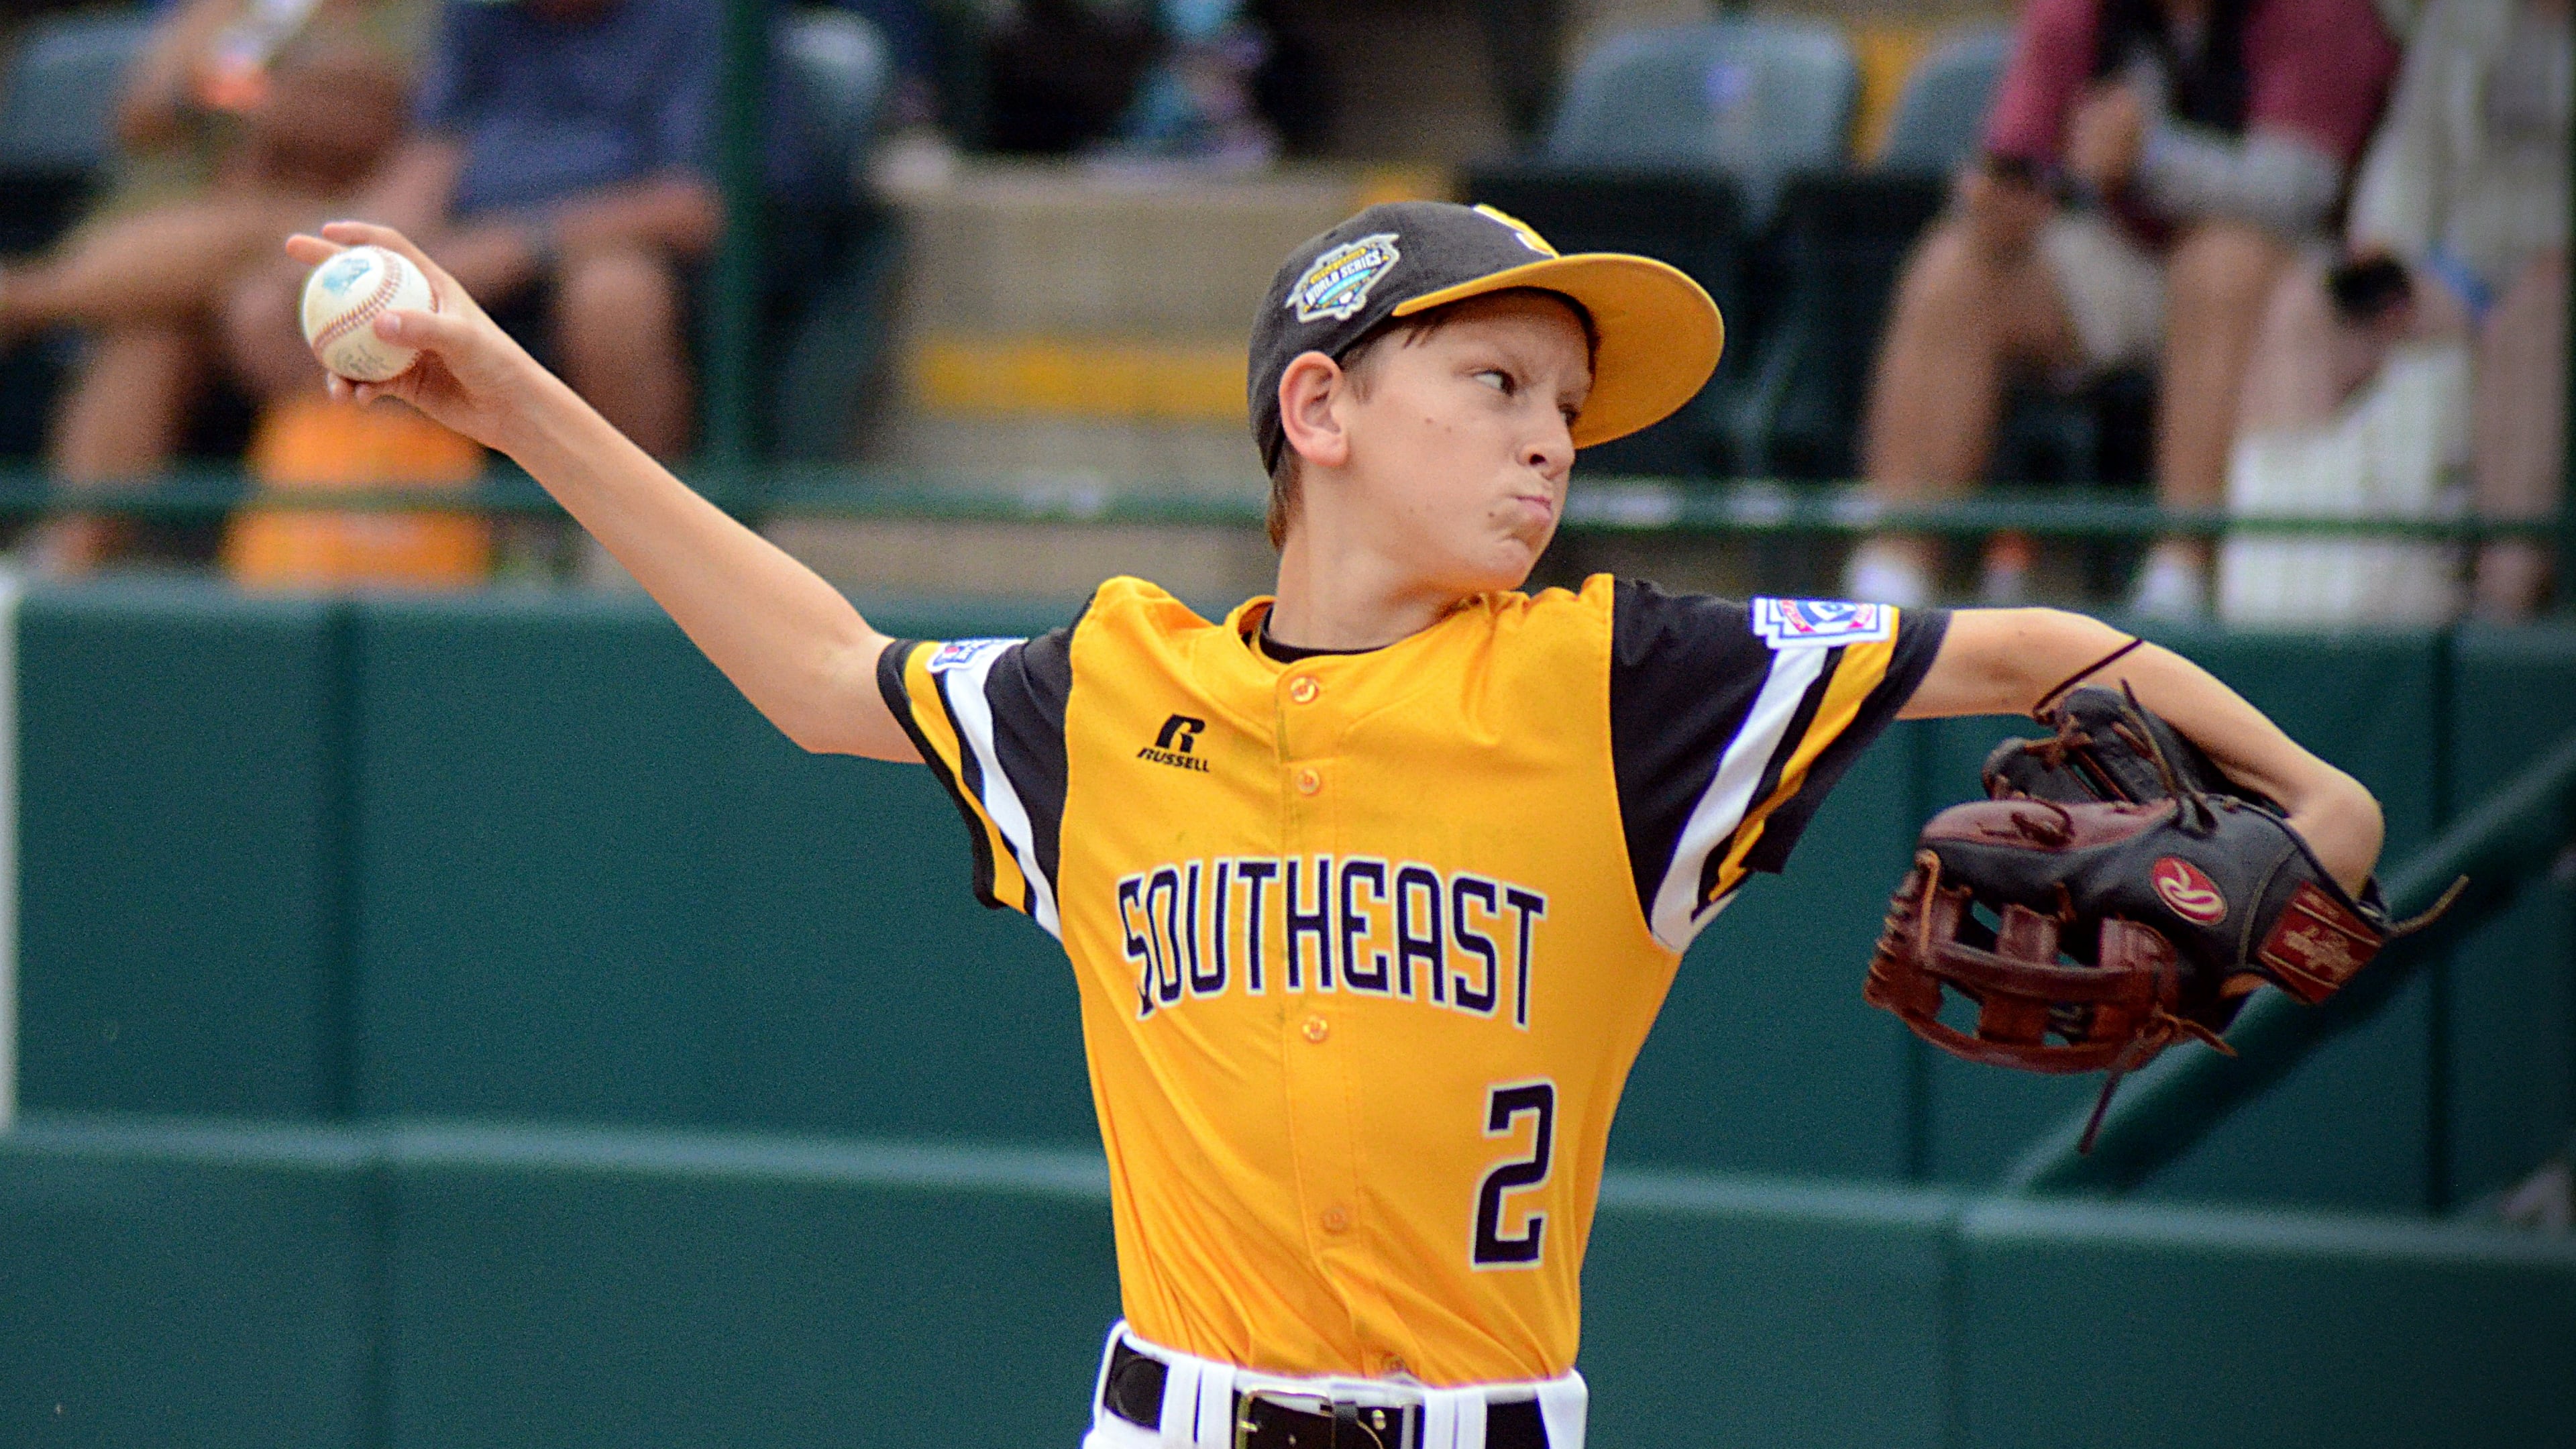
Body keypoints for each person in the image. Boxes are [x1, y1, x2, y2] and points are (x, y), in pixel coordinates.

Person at [280, 200, 2384, 1442]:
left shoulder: (1622, 681)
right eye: (1494, 387)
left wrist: (2315, 793)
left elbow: (2022, 654)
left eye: (1567, 412)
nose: (1548, 444)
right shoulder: (1110, 693)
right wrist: (506, 393)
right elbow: (830, 678)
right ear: (1320, 408)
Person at [1846, 0, 2399, 615]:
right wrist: (2001, 201)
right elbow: (2019, 156)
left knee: (2220, 265)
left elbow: (2298, 191)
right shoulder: (2077, 11)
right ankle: (1890, 579)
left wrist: (2151, 156)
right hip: (2123, 249)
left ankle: (2181, 579)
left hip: (2291, 283)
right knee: (1956, 266)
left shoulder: (2320, 12)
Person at [0, 0, 419, 572]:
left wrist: (258, 95)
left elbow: (378, 123)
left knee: (253, 239)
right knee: (152, 333)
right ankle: (75, 557)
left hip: (337, 224)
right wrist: (257, 93)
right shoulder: (240, 5)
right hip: (175, 231)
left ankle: (22, 299)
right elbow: (143, 114)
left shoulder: (425, 15)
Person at [223, 0, 722, 465]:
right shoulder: (483, 15)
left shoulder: (701, 18)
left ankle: (632, 537)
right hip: (472, 252)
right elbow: (432, 159)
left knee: (613, 295)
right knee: (269, 302)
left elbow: (698, 205)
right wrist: (356, 247)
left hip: (625, 253)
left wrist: (523, 243)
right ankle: (437, 525)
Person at [2223, 0, 2569, 623]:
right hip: (2460, 278)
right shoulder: (2469, 17)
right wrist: (2385, 257)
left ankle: (2499, 611)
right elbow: (2410, 165)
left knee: (2538, 307)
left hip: (2548, 287)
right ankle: (2273, 606)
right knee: (2310, 300)